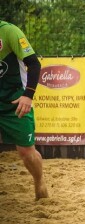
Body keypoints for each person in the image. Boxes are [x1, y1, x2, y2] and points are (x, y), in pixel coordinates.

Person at [0, 20, 48, 200]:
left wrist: (28, 95)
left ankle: (39, 180)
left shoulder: (9, 32)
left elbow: (34, 64)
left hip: (15, 101)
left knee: (26, 152)